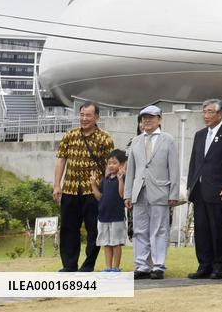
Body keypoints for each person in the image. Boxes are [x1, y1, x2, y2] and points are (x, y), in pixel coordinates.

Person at [53, 101, 114, 272]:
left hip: (92, 191)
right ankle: (69, 265)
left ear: (96, 118)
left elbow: (110, 166)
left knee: (93, 229)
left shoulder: (105, 139)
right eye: (82, 115)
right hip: (70, 188)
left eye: (88, 115)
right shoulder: (69, 135)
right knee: (68, 228)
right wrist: (57, 185)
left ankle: (88, 265)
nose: (84, 118)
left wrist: (107, 189)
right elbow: (61, 160)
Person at [124, 104, 180, 280]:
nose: (147, 121)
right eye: (144, 118)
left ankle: (158, 265)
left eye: (151, 117)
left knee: (159, 229)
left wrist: (173, 193)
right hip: (139, 191)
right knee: (140, 230)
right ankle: (141, 265)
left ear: (160, 119)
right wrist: (128, 194)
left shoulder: (168, 139)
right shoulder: (136, 141)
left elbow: (174, 169)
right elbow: (131, 170)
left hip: (160, 191)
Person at [186, 98, 222, 280]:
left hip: (218, 190)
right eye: (204, 112)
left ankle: (219, 265)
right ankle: (204, 264)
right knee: (201, 229)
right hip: (199, 189)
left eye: (210, 112)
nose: (206, 115)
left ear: (220, 114)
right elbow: (194, 162)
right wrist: (190, 186)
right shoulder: (200, 135)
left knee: (217, 228)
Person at [90, 149, 127, 272]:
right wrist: (93, 184)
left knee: (116, 243)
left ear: (121, 165)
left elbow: (122, 195)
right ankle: (108, 267)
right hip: (103, 216)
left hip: (116, 217)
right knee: (106, 243)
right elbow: (99, 197)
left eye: (114, 163)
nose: (111, 165)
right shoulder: (104, 180)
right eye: (109, 163)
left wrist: (121, 179)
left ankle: (116, 267)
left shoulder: (122, 178)